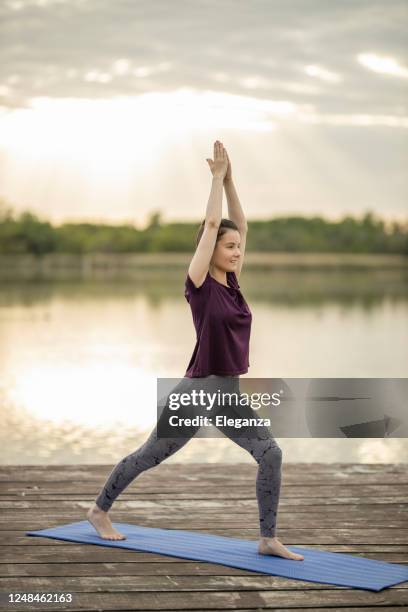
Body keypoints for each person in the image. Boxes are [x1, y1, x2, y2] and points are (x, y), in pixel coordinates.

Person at [87, 141, 304, 561]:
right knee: (150, 455)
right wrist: (215, 180)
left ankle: (267, 538)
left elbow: (238, 222)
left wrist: (233, 180)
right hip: (198, 391)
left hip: (227, 393)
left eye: (239, 247)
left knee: (270, 453)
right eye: (230, 247)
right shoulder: (200, 286)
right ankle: (99, 511)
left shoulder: (234, 283)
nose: (237, 251)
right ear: (210, 252)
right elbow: (211, 224)